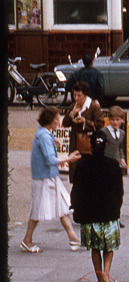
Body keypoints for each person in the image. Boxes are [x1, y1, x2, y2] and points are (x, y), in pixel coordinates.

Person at [21, 106, 83, 253]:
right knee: (37, 211)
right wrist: (69, 158)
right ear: (50, 120)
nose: (58, 121)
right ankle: (27, 240)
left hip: (50, 177)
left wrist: (52, 142)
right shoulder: (44, 136)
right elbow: (50, 160)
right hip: (44, 178)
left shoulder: (45, 134)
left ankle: (73, 238)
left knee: (62, 207)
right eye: (56, 119)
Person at [70, 132, 124, 282]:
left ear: (91, 145)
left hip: (90, 215)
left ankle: (100, 280)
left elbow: (77, 190)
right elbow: (119, 191)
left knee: (95, 248)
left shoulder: (82, 165)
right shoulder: (113, 165)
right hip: (108, 213)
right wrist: (117, 209)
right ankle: (106, 274)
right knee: (109, 247)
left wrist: (76, 210)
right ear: (106, 145)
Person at [65, 80, 103, 156]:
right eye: (74, 95)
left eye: (79, 95)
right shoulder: (73, 106)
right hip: (74, 143)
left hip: (88, 144)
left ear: (85, 95)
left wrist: (84, 121)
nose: (76, 98)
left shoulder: (93, 106)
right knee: (74, 166)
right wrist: (72, 113)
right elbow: (65, 124)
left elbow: (100, 124)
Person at [101, 105, 129, 172]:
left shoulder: (122, 133)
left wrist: (122, 158)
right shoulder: (103, 132)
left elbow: (120, 147)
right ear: (109, 119)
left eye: (117, 120)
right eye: (112, 120)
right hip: (105, 164)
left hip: (116, 164)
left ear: (122, 120)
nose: (115, 122)